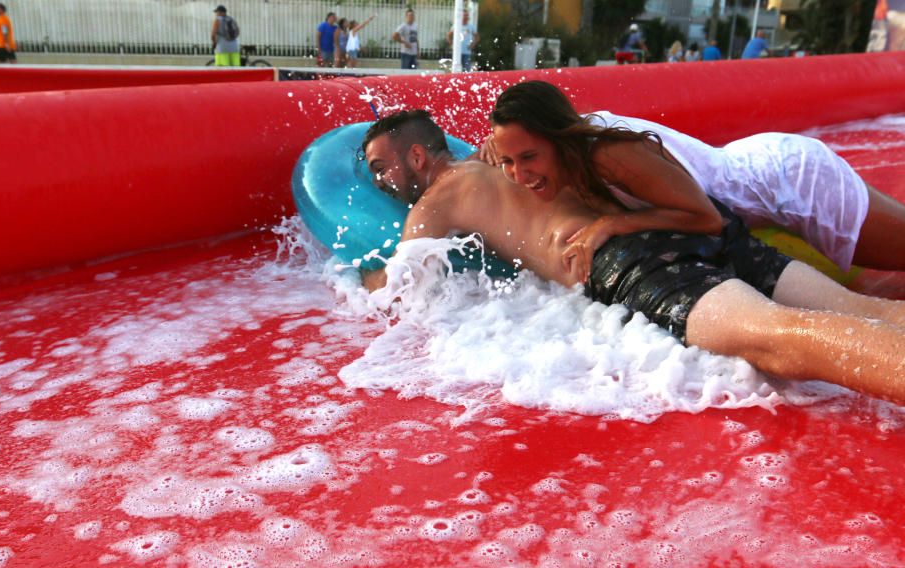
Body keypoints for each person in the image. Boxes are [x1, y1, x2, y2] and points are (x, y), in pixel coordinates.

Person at [359, 110, 905, 402]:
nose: (382, 182)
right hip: (686, 222)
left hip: (630, 260)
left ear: (416, 155)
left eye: (383, 167)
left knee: (779, 339)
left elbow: (401, 288)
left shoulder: (437, 198)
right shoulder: (512, 154)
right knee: (856, 308)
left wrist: (357, 275)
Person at [478, 80, 905, 275]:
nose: (519, 175)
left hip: (790, 183)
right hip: (759, 175)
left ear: (559, 139)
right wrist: (495, 150)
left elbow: (708, 219)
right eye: (509, 162)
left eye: (529, 157)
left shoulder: (609, 154)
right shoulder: (564, 147)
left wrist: (612, 223)